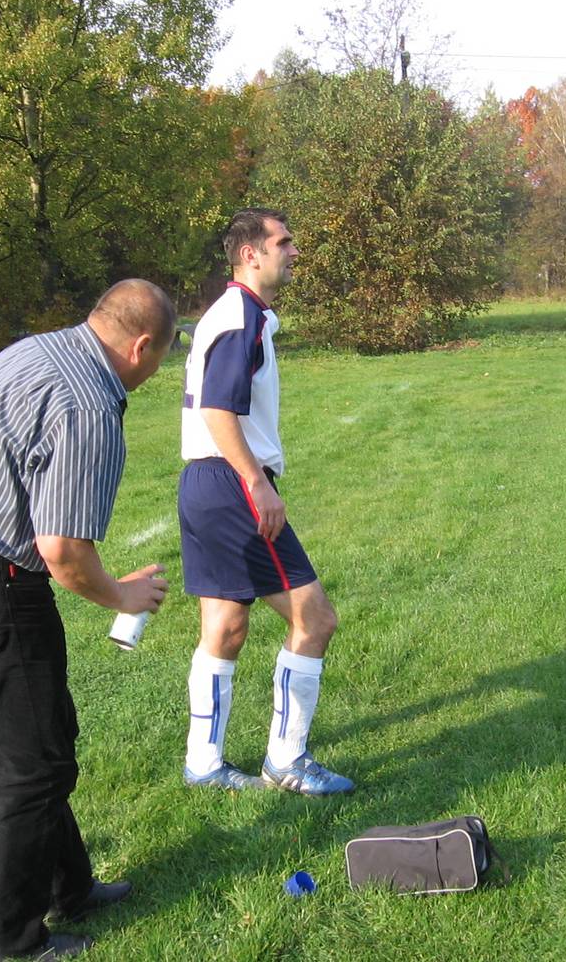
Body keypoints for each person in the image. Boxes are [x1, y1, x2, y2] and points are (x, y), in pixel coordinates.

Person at [0, 279, 175, 962]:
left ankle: (73, 888)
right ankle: (12, 943)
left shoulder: (35, 351)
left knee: (45, 743)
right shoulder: (87, 402)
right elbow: (62, 551)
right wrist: (121, 596)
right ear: (142, 346)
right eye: (159, 360)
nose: (153, 374)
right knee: (29, 769)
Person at [177, 208, 354, 797]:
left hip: (204, 484)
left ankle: (203, 764)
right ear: (250, 254)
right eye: (284, 242)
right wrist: (256, 482)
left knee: (225, 625)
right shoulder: (241, 316)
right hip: (232, 485)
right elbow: (217, 409)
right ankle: (287, 759)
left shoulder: (234, 313)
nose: (294, 252)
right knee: (315, 618)